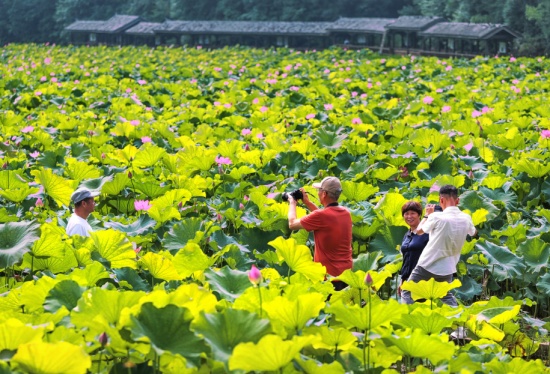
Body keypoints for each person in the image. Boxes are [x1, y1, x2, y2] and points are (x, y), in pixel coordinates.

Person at [401, 185, 476, 307]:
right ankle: (459, 324)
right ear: (458, 201)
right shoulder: (466, 218)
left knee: (406, 292)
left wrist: (427, 215)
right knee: (446, 296)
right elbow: (474, 232)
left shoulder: (436, 216)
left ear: (441, 200)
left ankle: (409, 319)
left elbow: (419, 231)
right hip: (448, 268)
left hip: (427, 265)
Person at [287, 176, 352, 290]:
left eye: (319, 190)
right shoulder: (345, 213)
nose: (318, 193)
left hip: (329, 278)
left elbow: (292, 224)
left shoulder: (321, 216)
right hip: (346, 276)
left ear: (324, 194)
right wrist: (307, 202)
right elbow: (325, 218)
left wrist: (292, 202)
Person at [398, 201, 429, 297]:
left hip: (422, 277)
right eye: (406, 214)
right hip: (408, 279)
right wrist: (402, 280)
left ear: (419, 215)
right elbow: (406, 260)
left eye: (413, 213)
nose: (409, 216)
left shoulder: (427, 233)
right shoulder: (407, 235)